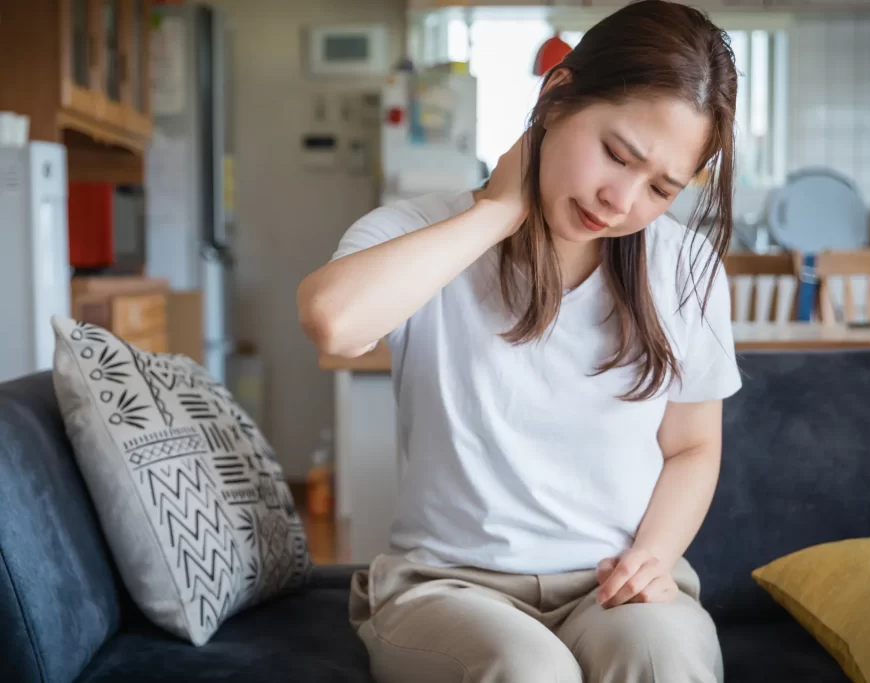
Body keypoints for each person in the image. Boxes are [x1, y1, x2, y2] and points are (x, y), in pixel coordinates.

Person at [297, 1, 740, 680]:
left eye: (660, 188)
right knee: (529, 669)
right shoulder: (423, 233)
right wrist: (498, 212)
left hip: (607, 581)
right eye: (617, 154)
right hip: (446, 588)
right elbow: (334, 320)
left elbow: (692, 445)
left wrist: (654, 552)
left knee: (664, 653)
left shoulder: (684, 268)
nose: (621, 200)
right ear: (557, 93)